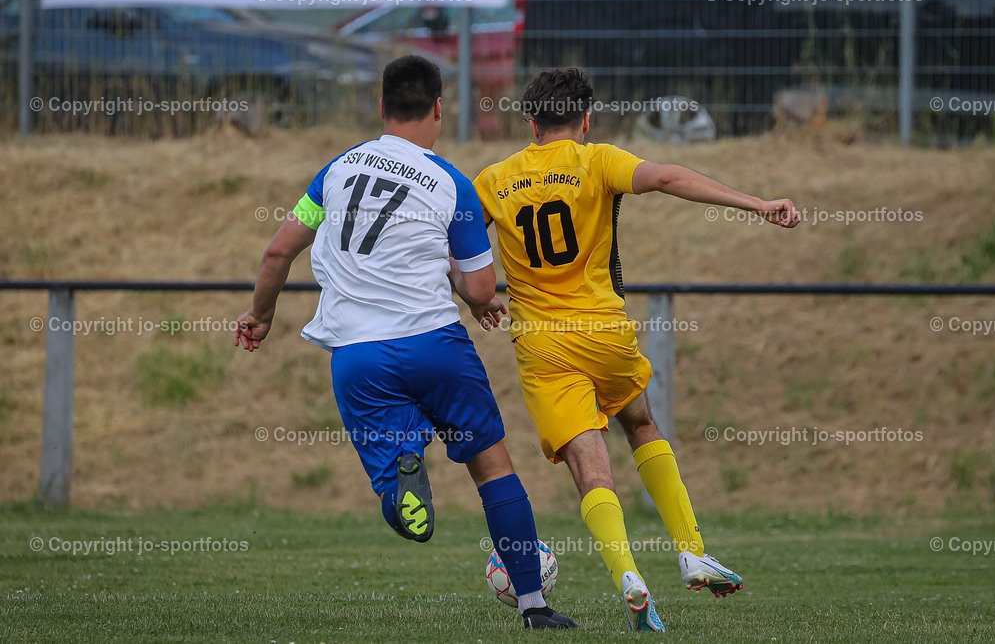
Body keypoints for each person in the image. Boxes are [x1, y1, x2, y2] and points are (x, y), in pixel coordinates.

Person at [233, 55, 576, 630]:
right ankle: (534, 607)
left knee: (394, 471)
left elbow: (277, 252)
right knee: (494, 468)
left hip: (359, 356)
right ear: (439, 108)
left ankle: (401, 481)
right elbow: (481, 285)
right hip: (436, 347)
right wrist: (476, 299)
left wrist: (260, 315)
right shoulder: (452, 184)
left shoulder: (336, 173)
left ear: (381, 105)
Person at [470, 67, 800, 632]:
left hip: (542, 345)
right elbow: (668, 176)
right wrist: (758, 203)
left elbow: (456, 247)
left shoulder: (494, 179)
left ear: (530, 124)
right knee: (641, 423)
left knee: (586, 460)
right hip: (604, 331)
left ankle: (627, 574)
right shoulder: (596, 160)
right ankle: (691, 550)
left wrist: (472, 296)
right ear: (586, 119)